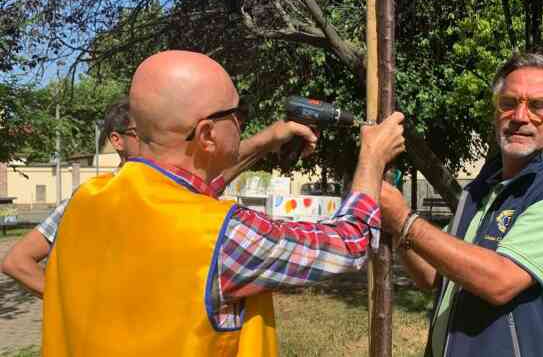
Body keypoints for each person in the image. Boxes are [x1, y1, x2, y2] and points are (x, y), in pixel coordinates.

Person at [42, 50, 405, 356]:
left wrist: (267, 140)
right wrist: (371, 159)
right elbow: (349, 244)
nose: (242, 123)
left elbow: (191, 189)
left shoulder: (84, 202)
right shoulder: (223, 234)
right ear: (206, 134)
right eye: (238, 114)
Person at [379, 53, 543, 357]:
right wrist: (394, 228)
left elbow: (499, 281)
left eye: (538, 106)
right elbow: (431, 275)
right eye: (508, 103)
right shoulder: (479, 192)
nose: (520, 116)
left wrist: (404, 220)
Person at [1, 99, 140, 296]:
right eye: (142, 134)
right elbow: (17, 262)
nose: (155, 141)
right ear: (117, 140)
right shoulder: (89, 198)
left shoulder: (177, 192)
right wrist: (71, 304)